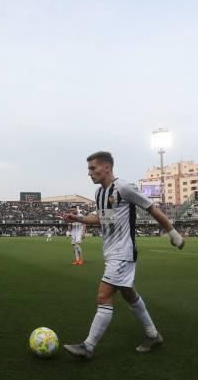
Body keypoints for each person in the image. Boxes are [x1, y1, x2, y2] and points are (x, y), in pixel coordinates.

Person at [61, 151, 184, 357]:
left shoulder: (124, 188)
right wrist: (79, 218)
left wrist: (173, 233)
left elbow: (152, 209)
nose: (89, 173)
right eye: (89, 169)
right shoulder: (100, 193)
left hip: (123, 251)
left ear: (107, 167)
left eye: (93, 168)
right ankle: (153, 335)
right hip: (110, 252)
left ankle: (88, 346)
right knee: (129, 294)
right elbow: (102, 218)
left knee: (103, 296)